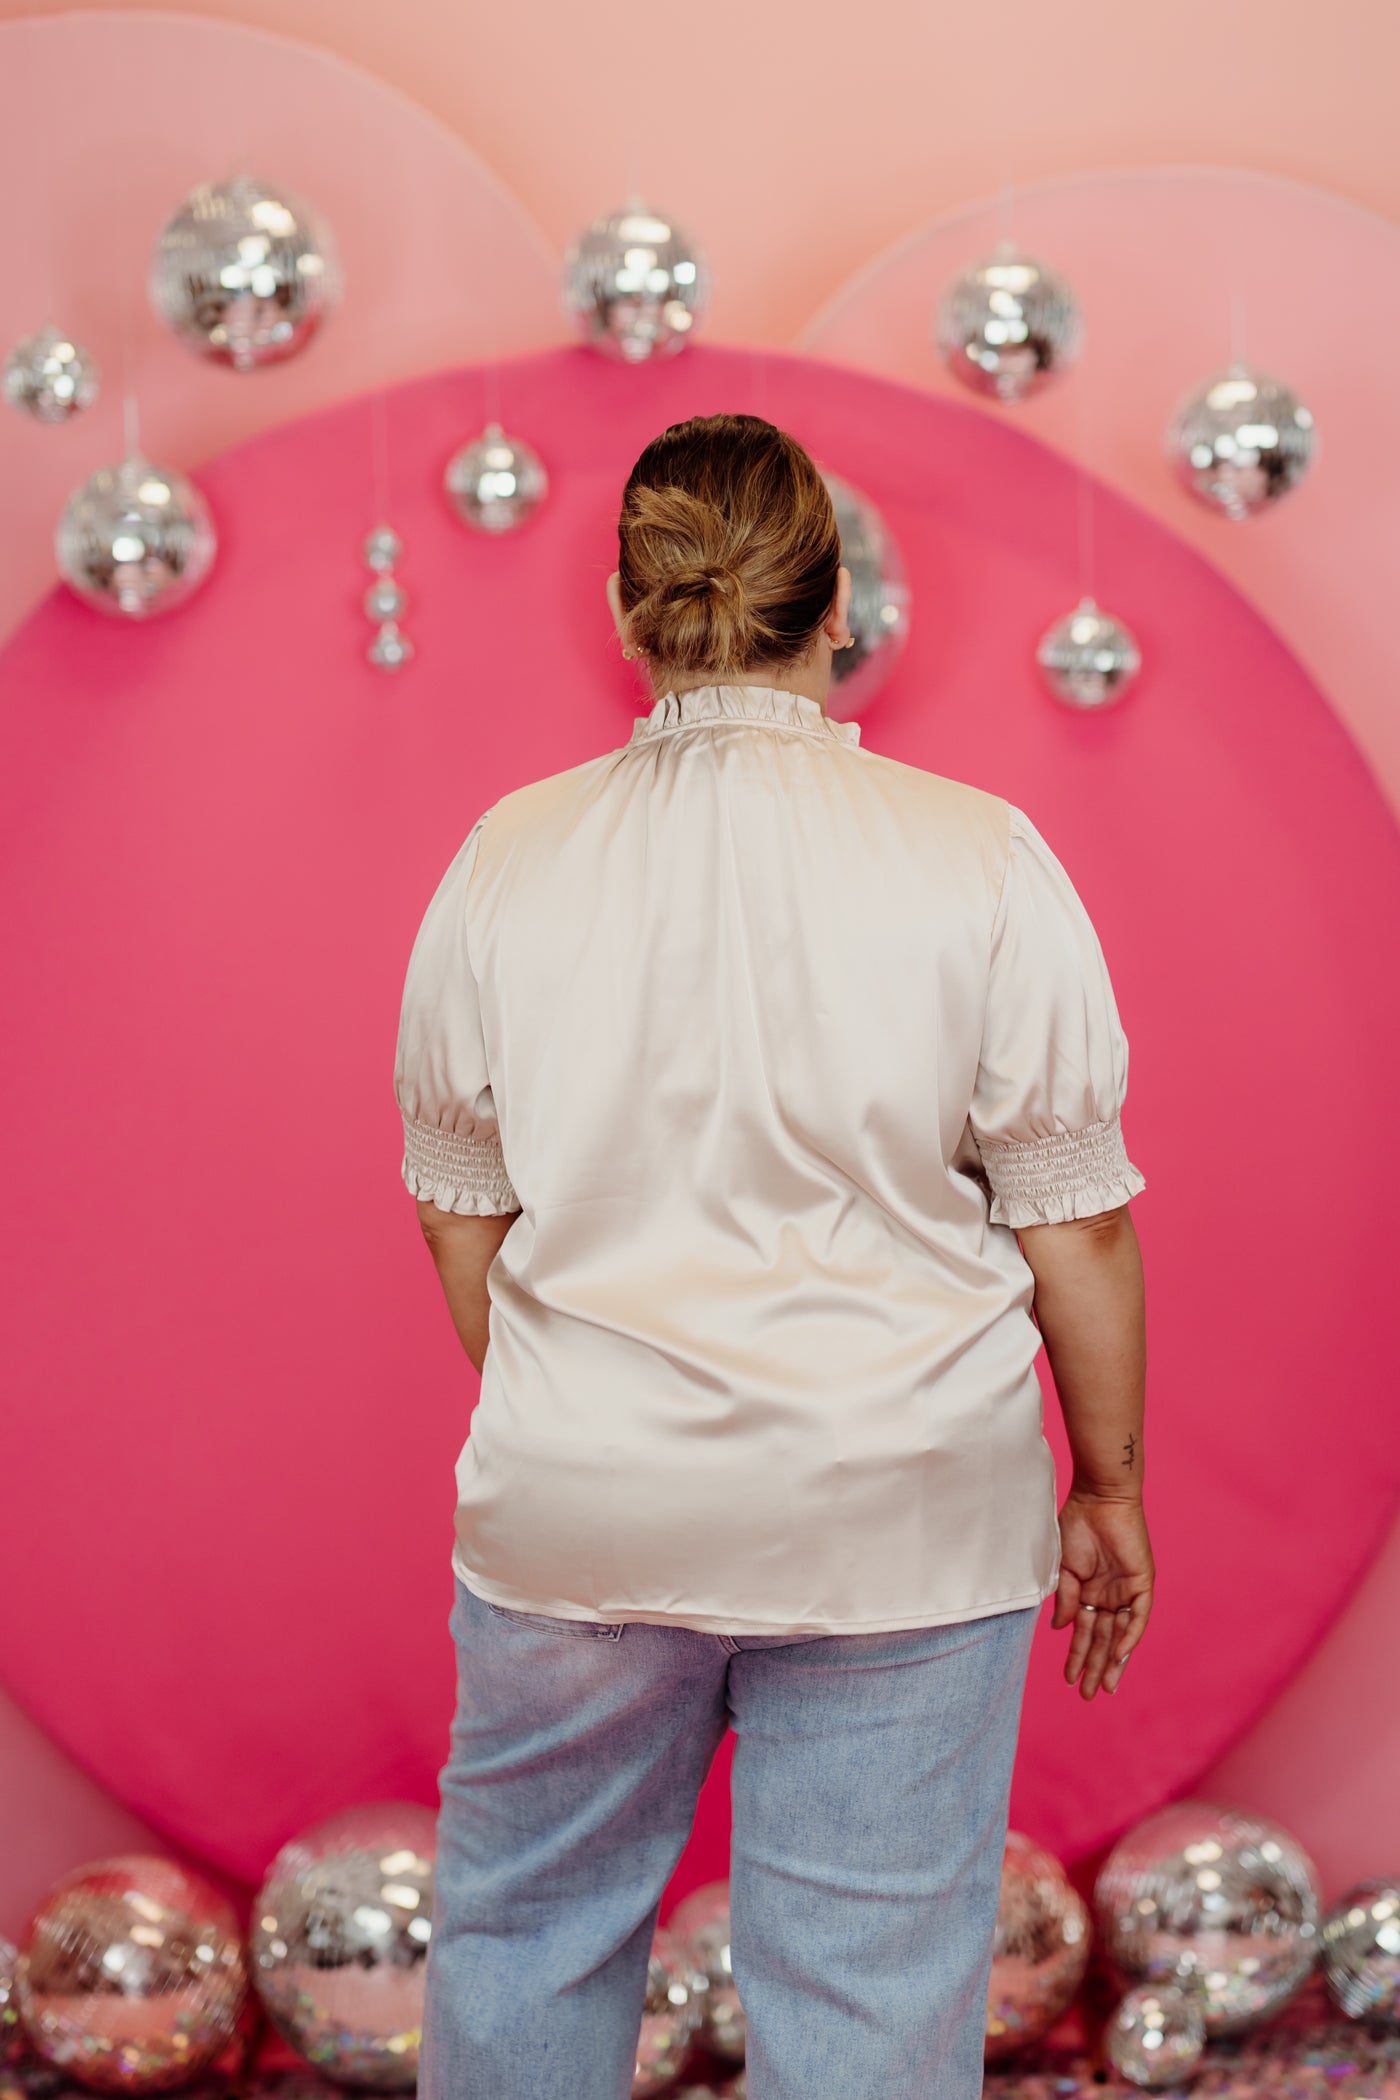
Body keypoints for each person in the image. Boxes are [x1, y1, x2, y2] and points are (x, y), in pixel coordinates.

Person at [393, 414, 1152, 2100]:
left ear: (625, 609)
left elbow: (461, 1201)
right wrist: (1108, 1483)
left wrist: (584, 1398)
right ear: (840, 608)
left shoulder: (505, 858)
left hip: (579, 1502)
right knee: (869, 1987)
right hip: (904, 1509)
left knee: (527, 1930)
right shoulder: (981, 857)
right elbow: (1076, 1219)